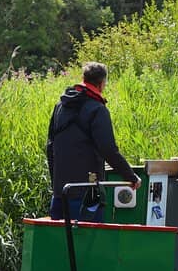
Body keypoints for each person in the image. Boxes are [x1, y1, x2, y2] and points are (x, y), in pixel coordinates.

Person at [46, 62, 141, 222]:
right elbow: (108, 150)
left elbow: (50, 146)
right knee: (88, 244)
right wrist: (131, 177)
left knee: (60, 243)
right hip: (86, 195)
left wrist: (56, 183)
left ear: (83, 78)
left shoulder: (60, 106)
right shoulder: (97, 109)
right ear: (102, 83)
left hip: (60, 194)